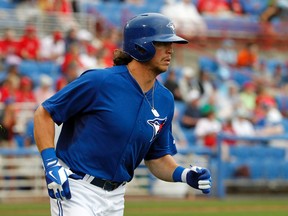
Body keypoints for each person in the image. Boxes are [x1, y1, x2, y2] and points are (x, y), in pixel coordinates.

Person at [33, 13, 212, 216]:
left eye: (171, 43)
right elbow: (44, 113)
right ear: (141, 45)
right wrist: (50, 164)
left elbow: (157, 158)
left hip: (116, 199)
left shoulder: (165, 100)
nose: (170, 50)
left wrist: (185, 174)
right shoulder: (99, 81)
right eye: (162, 43)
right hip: (76, 189)